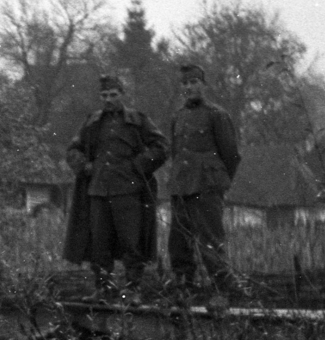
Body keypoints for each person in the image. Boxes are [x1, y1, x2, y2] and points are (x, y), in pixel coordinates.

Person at [62, 74, 168, 305]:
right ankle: (103, 290)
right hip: (98, 191)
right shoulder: (92, 122)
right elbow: (73, 149)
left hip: (128, 192)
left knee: (132, 243)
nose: (108, 100)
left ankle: (132, 290)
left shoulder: (138, 120)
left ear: (122, 94)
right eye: (104, 95)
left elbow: (161, 147)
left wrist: (137, 166)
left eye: (113, 95)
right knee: (100, 244)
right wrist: (85, 166)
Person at [167, 64, 246, 301]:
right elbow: (176, 152)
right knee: (178, 239)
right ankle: (184, 286)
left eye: (194, 82)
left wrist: (219, 182)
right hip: (182, 186)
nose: (189, 87)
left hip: (207, 186)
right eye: (185, 83)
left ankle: (224, 289)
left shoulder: (217, 115)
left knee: (211, 240)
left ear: (203, 85)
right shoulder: (178, 117)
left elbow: (231, 155)